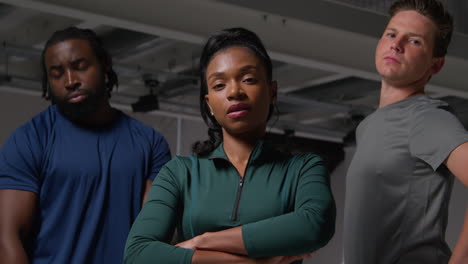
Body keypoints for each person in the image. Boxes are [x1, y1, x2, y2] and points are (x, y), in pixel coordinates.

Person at [124, 27, 335, 264]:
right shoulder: (180, 173)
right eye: (219, 85)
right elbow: (137, 255)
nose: (235, 91)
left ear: (272, 91)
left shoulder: (303, 169)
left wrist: (201, 241)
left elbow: (314, 226)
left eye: (248, 79)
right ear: (209, 104)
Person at [0, 27, 171, 264]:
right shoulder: (29, 140)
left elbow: (154, 236)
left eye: (80, 66)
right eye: (57, 74)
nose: (70, 81)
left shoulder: (150, 144)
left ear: (104, 64)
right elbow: (7, 238)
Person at [344, 0, 468, 263]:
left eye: (414, 41)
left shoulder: (427, 118)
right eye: (391, 34)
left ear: (435, 65)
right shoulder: (368, 126)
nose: (396, 44)